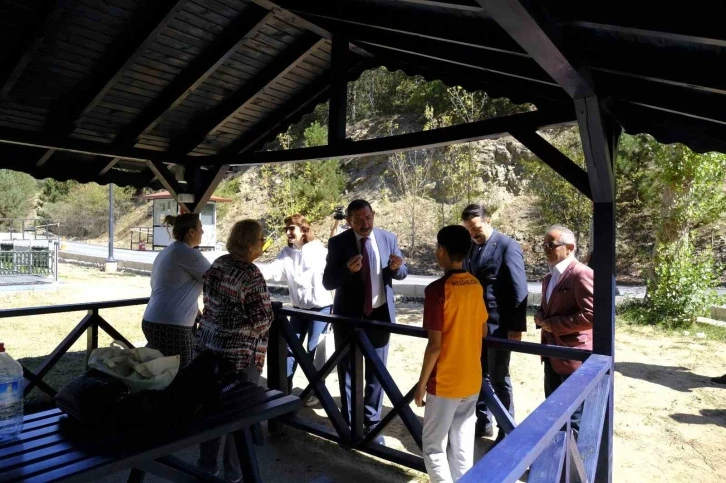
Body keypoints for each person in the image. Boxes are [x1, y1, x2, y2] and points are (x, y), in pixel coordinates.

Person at [195, 219, 274, 482]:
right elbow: (262, 321)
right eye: (261, 238)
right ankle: (234, 473)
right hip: (239, 357)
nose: (263, 243)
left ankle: (206, 467)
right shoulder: (250, 274)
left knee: (210, 410)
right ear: (250, 244)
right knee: (239, 416)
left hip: (209, 348)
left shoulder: (219, 263)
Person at [323, 199, 407, 439]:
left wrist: (397, 267)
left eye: (368, 218)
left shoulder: (388, 238)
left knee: (376, 372)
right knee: (347, 371)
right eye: (358, 220)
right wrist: (347, 271)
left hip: (379, 315)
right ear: (348, 221)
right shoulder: (338, 243)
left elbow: (401, 272)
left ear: (374, 215)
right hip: (348, 318)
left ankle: (371, 423)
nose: (364, 224)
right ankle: (350, 424)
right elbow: (328, 281)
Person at [415, 225, 487, 483]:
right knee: (462, 447)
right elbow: (483, 328)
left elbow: (435, 345)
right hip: (471, 378)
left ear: (441, 251)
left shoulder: (437, 290)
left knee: (433, 448)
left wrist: (421, 385)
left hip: (445, 381)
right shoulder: (475, 285)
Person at [461, 203, 527, 442]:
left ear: (488, 221)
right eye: (468, 229)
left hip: (499, 326)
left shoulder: (508, 246)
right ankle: (483, 421)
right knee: (478, 375)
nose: (473, 233)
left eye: (476, 228)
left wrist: (516, 326)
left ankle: (506, 428)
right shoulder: (471, 247)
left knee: (499, 378)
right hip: (474, 325)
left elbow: (519, 288)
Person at [262, 214, 333, 404]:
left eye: (292, 228)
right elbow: (274, 271)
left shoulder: (319, 250)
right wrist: (252, 270)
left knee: (314, 351)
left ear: (304, 229)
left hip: (321, 308)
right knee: (290, 349)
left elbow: (324, 276)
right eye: (286, 229)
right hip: (298, 309)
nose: (288, 232)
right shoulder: (286, 252)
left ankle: (316, 391)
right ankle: (284, 389)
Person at [534, 225, 593, 432]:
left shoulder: (581, 274)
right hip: (550, 353)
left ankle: (571, 462)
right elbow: (547, 308)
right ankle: (556, 459)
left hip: (573, 356)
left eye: (551, 245)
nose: (546, 249)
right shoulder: (548, 278)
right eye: (543, 245)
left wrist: (555, 324)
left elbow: (593, 314)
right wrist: (540, 316)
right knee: (552, 411)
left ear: (570, 247)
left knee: (573, 416)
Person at [141, 213, 210, 368]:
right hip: (172, 326)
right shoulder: (189, 254)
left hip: (152, 320)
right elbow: (217, 279)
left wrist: (193, 308)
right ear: (191, 232)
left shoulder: (168, 251)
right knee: (181, 373)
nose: (203, 232)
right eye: (200, 228)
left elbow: (172, 286)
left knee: (161, 371)